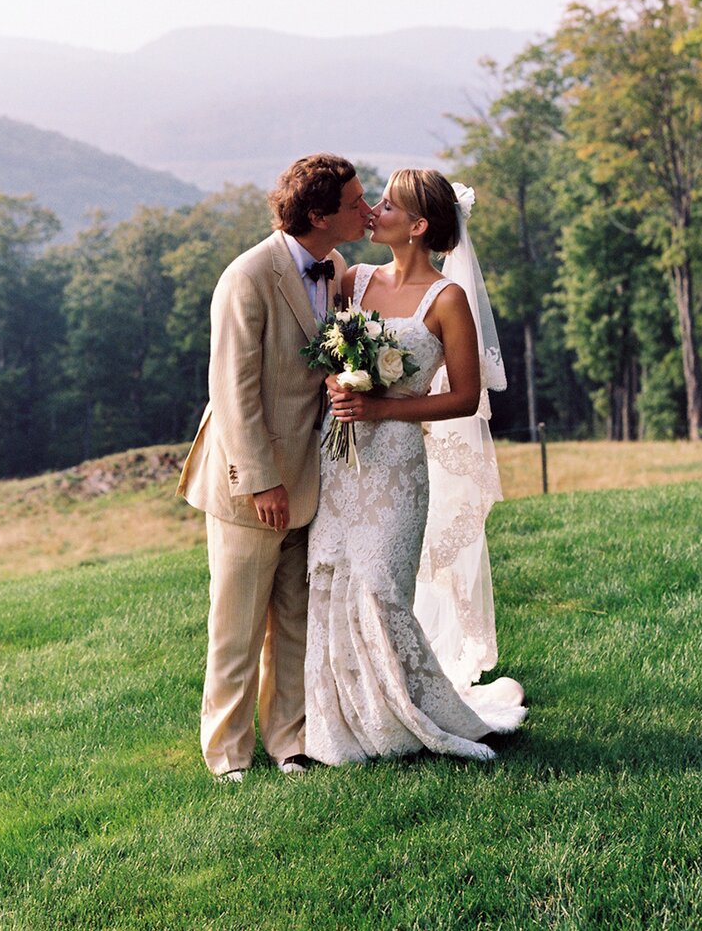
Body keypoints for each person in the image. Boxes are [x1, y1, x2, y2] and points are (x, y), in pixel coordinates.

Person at [305, 169, 526, 765]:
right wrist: (337, 382)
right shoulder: (355, 279)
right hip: (341, 456)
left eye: (388, 205)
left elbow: (464, 397)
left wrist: (380, 405)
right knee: (331, 581)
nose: (373, 211)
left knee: (381, 588)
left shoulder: (447, 300)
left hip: (398, 465)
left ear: (420, 226)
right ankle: (345, 725)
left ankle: (412, 717)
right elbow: (324, 350)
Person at [177, 153, 373, 781]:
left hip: (312, 475)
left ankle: (290, 741)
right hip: (250, 483)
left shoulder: (336, 267)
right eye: (354, 204)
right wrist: (262, 481)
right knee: (236, 629)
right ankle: (228, 755)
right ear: (318, 215)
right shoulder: (247, 278)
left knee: (294, 620)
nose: (365, 211)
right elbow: (233, 392)